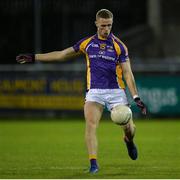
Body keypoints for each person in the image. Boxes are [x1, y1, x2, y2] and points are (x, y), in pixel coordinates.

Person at [16, 9, 147, 173]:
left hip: (116, 92)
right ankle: (93, 164)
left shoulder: (119, 46)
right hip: (94, 92)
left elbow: (127, 73)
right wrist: (34, 57)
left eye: (109, 25)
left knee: (130, 129)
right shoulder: (87, 43)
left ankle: (129, 141)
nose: (106, 29)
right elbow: (62, 55)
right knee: (90, 126)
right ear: (96, 24)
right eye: (103, 25)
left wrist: (136, 97)